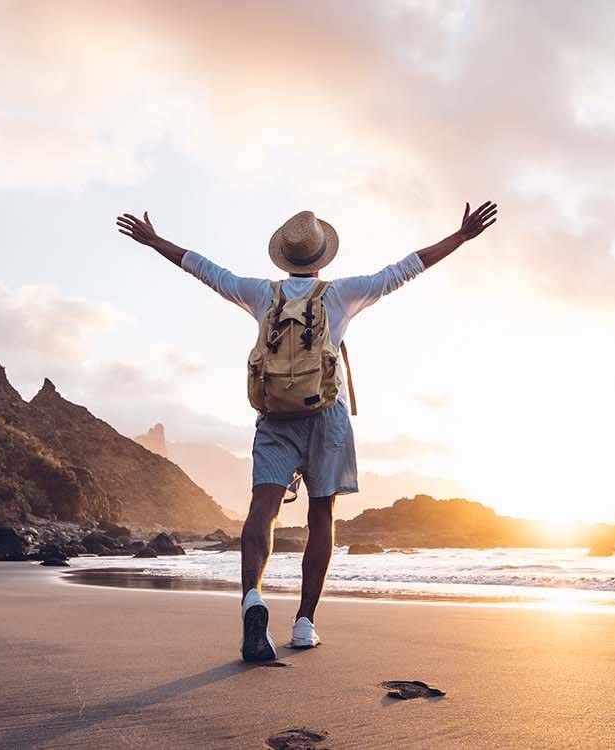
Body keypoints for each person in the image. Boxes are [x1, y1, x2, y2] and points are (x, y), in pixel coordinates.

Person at [115, 201, 498, 662]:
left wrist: (155, 241)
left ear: (284, 257)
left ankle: (253, 599)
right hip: (326, 416)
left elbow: (205, 269)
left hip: (275, 416)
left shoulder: (260, 294)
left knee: (264, 509)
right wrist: (459, 238)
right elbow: (405, 269)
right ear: (320, 258)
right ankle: (303, 623)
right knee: (321, 514)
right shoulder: (341, 295)